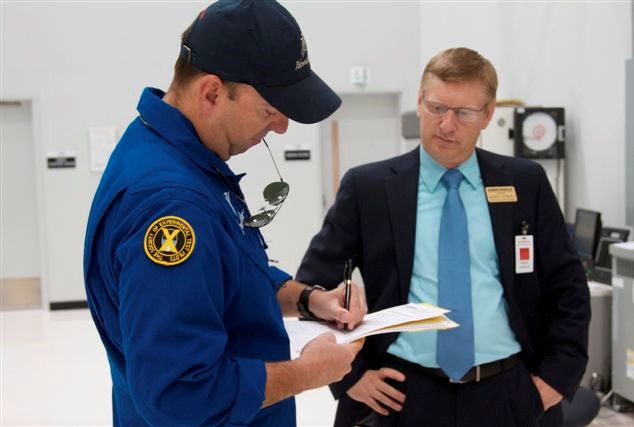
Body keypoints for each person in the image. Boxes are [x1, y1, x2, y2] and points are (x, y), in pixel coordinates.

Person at [83, 1, 366, 425]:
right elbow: (179, 393)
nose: (282, 127)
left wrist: (309, 300)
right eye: (271, 109)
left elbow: (228, 275)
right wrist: (308, 373)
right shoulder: (172, 206)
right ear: (212, 93)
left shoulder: (169, 151)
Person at [296, 47, 590, 427]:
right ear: (419, 102)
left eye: (464, 112)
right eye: (437, 108)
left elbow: (568, 290)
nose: (447, 124)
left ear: (487, 114)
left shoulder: (524, 183)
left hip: (507, 394)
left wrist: (552, 381)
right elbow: (311, 289)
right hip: (401, 395)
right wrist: (351, 377)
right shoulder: (368, 188)